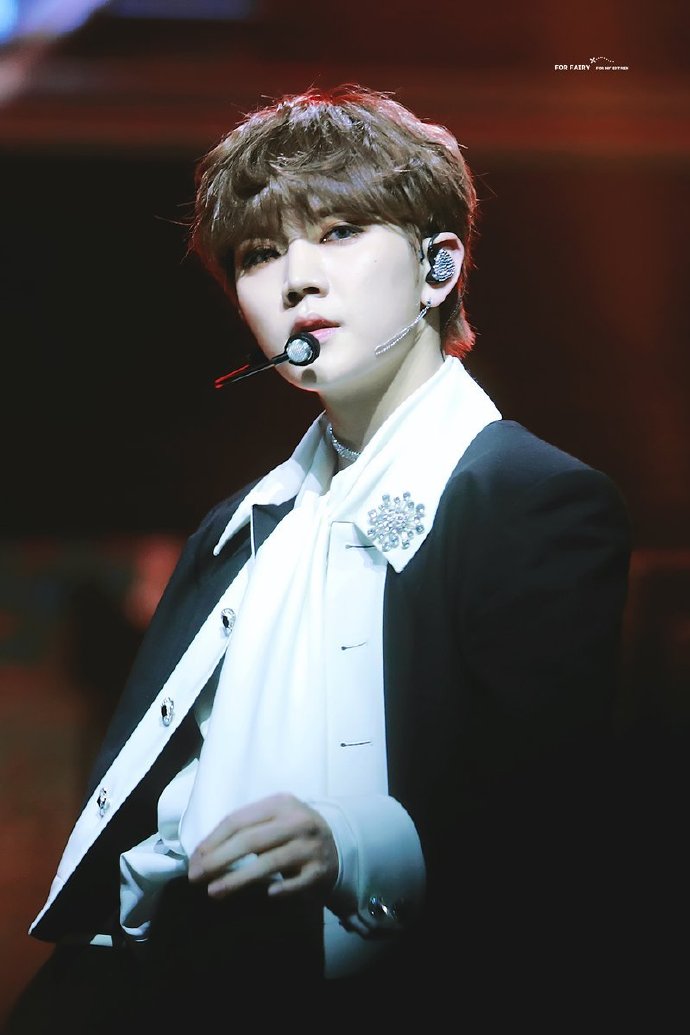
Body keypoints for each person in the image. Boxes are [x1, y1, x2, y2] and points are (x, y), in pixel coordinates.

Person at [6, 84, 631, 1030]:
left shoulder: (528, 497)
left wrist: (352, 840)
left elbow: (554, 813)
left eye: (339, 232)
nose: (296, 279)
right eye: (260, 254)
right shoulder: (236, 529)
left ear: (439, 265)